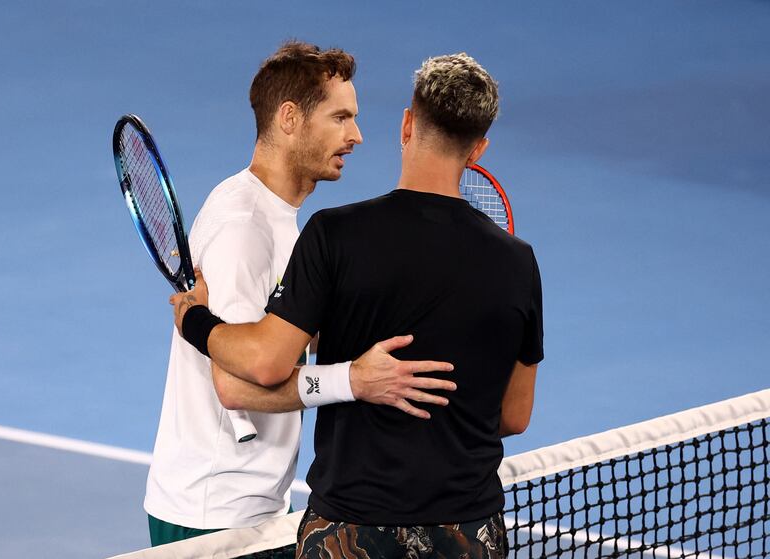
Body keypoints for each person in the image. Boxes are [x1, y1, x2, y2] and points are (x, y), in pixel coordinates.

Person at [174, 52, 543, 559]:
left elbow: (265, 359)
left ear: (408, 124)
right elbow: (514, 415)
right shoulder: (518, 262)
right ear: (478, 149)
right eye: (342, 117)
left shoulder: (335, 236)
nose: (356, 134)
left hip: (351, 531)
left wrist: (193, 319)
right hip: (468, 531)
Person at [145, 41, 456, 556]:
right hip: (213, 515)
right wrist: (353, 381)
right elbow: (236, 384)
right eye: (340, 118)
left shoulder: (278, 218)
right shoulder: (244, 230)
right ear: (290, 118)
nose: (356, 135)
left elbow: (288, 339)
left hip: (255, 502)